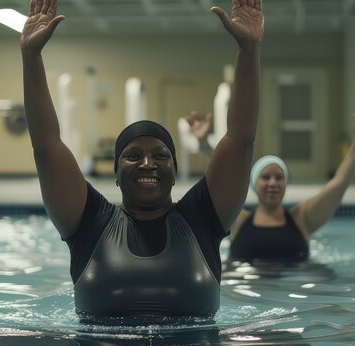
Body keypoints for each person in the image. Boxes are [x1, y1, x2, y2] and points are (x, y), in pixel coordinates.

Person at [20, 0, 263, 319]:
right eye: (133, 155)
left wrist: (249, 49)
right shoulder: (89, 223)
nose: (148, 163)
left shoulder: (202, 219)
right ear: (117, 174)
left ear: (174, 173)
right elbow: (46, 146)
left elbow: (240, 139)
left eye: (160, 155)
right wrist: (31, 56)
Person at [187, 104, 355, 262]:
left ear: (286, 184)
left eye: (279, 177)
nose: (272, 183)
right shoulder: (237, 221)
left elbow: (339, 183)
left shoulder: (303, 218)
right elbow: (218, 181)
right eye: (265, 177)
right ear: (253, 184)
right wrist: (203, 142)